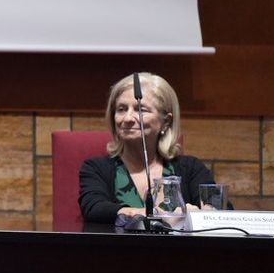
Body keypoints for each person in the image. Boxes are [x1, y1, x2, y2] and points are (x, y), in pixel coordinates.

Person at [78, 73, 219, 224]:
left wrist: (202, 214)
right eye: (121, 109)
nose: (127, 118)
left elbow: (220, 211)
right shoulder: (96, 168)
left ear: (166, 121)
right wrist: (150, 214)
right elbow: (93, 208)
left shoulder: (191, 168)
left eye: (141, 110)